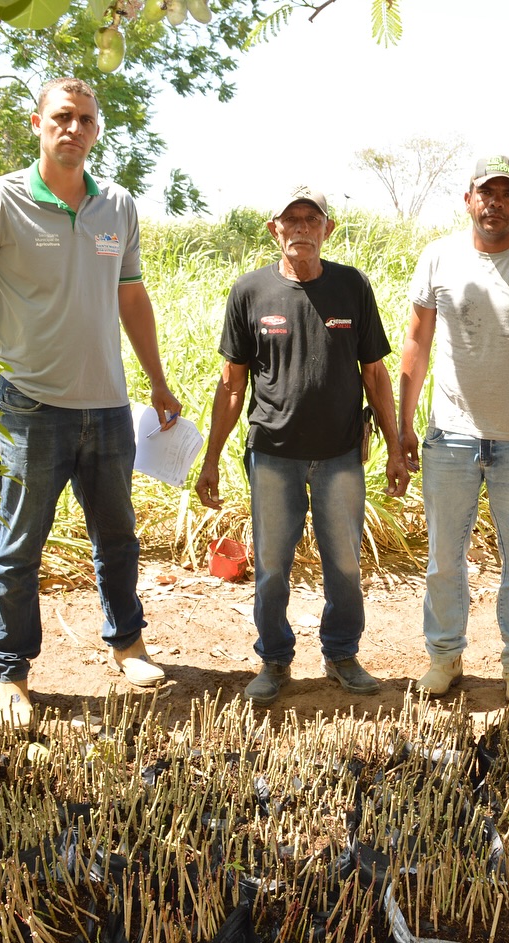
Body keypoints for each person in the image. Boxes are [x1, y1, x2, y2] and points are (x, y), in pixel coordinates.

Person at [0, 77, 182, 728]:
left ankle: (128, 643)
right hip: (31, 407)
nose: (74, 128)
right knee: (20, 547)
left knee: (118, 537)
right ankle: (10, 674)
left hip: (107, 405)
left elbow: (131, 297)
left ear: (97, 130)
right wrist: (5, 332)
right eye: (62, 117)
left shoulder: (117, 207)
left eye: (86, 120)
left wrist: (156, 379)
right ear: (37, 123)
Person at [195, 187, 407, 705]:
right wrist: (212, 458)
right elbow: (231, 384)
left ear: (328, 230)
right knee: (271, 567)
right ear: (275, 229)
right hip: (273, 455)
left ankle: (341, 654)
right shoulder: (250, 292)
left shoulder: (351, 286)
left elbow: (375, 373)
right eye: (292, 219)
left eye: (313, 219)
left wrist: (398, 445)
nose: (302, 228)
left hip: (339, 457)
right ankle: (273, 659)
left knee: (344, 564)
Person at [398, 155, 509, 708]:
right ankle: (444, 657)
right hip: (450, 436)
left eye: (507, 193)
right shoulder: (438, 258)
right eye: (486, 192)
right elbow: (416, 343)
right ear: (468, 199)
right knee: (443, 558)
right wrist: (403, 424)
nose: (495, 203)